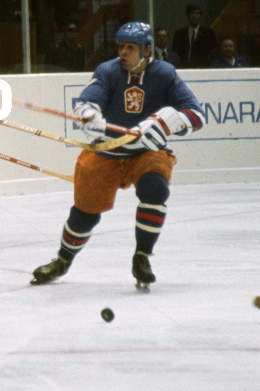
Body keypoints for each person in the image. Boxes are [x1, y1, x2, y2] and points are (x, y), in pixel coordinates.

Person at [29, 22, 205, 291]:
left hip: (147, 152)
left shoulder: (165, 73)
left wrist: (164, 123)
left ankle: (142, 257)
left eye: (130, 47)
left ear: (147, 50)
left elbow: (197, 114)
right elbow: (89, 99)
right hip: (107, 151)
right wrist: (88, 114)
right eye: (120, 46)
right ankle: (63, 260)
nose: (123, 52)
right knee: (84, 213)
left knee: (154, 189)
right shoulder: (108, 71)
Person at [172, 4, 218, 68]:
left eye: (197, 13)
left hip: (202, 67)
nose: (194, 16)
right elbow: (175, 52)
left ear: (200, 16)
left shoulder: (208, 32)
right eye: (192, 13)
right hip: (184, 66)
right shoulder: (179, 33)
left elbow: (214, 51)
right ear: (187, 15)